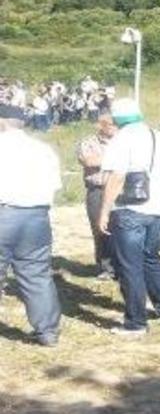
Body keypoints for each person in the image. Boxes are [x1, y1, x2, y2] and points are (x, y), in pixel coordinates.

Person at [98, 98, 160, 337]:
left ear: (116, 119)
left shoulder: (122, 139)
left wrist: (104, 211)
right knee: (150, 256)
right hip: (159, 208)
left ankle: (135, 322)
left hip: (130, 209)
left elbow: (116, 177)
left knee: (129, 266)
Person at [0, 103, 63, 346]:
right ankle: (47, 332)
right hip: (37, 215)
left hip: (4, 211)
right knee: (37, 274)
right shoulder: (43, 149)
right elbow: (55, 186)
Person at [76, 110, 118, 279]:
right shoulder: (88, 142)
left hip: (119, 190)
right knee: (100, 229)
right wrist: (118, 157)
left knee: (120, 228)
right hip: (97, 191)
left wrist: (105, 158)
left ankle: (122, 265)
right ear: (101, 126)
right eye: (111, 124)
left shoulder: (122, 141)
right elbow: (89, 161)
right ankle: (106, 267)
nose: (115, 127)